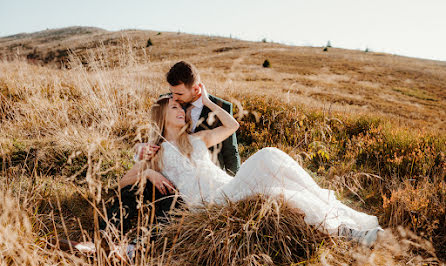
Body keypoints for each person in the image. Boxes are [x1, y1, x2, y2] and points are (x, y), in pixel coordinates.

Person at [120, 84, 383, 247]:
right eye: (175, 107)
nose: (182, 110)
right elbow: (123, 182)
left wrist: (209, 100)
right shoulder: (152, 149)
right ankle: (346, 231)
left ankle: (347, 229)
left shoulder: (195, 139)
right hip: (208, 202)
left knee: (280, 187)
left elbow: (232, 126)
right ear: (161, 113)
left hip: (227, 186)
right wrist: (151, 171)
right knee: (268, 157)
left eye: (182, 107)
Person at [100, 61, 241, 235]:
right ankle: (109, 236)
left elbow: (231, 145)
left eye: (178, 96)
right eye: (174, 103)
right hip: (181, 196)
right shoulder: (159, 143)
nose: (176, 100)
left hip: (216, 182)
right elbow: (125, 180)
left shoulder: (200, 134)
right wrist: (144, 162)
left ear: (196, 89)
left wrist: (236, 180)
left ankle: (133, 245)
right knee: (141, 195)